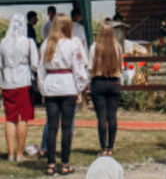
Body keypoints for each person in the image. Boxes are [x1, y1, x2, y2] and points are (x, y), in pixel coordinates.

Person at [38, 12, 89, 175]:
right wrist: (80, 88)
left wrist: (42, 89)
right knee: (67, 127)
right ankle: (65, 162)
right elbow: (79, 68)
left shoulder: (46, 44)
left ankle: (51, 163)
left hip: (51, 85)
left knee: (52, 126)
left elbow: (40, 70)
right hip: (68, 86)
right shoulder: (73, 43)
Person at [1, 13, 39, 161]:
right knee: (23, 117)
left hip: (7, 82)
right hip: (24, 82)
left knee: (10, 118)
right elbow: (35, 64)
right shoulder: (28, 43)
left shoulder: (3, 43)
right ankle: (19, 153)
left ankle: (10, 154)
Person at [89, 21, 123, 156]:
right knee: (112, 116)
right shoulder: (117, 47)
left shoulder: (94, 47)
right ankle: (111, 147)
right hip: (114, 82)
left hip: (98, 82)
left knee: (102, 116)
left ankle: (103, 147)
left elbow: (90, 67)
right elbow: (122, 66)